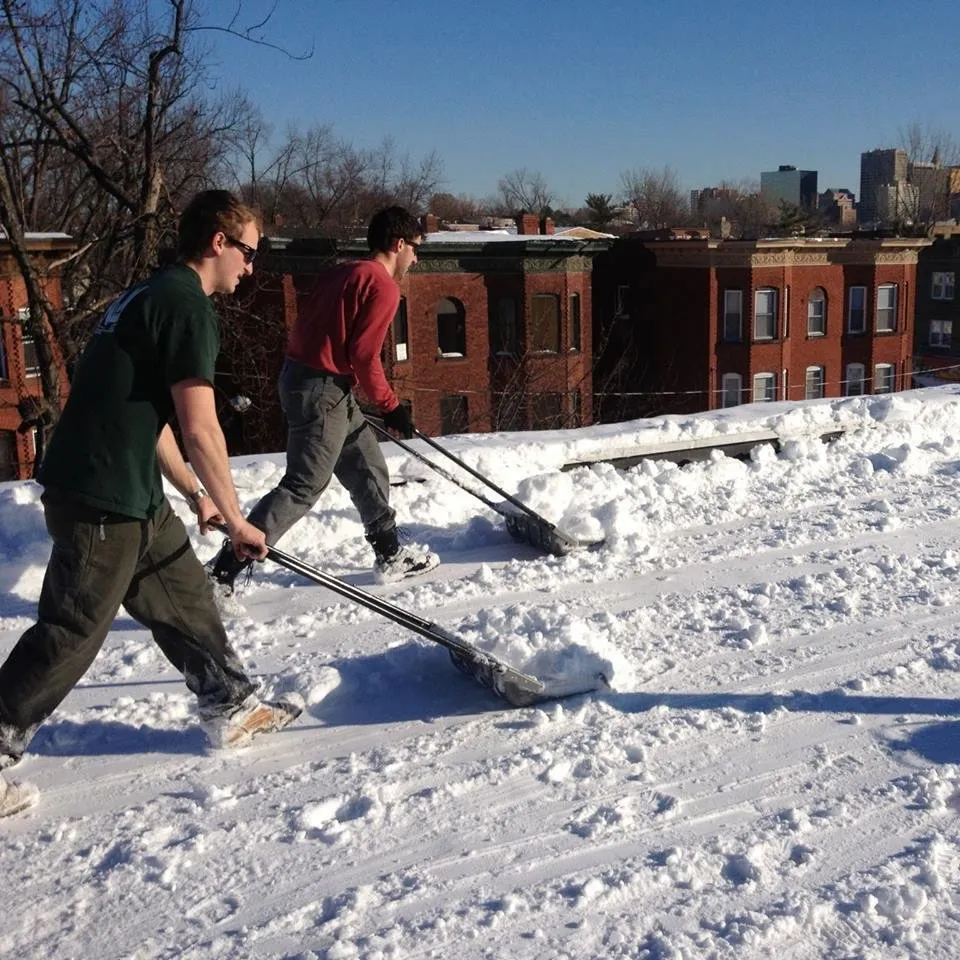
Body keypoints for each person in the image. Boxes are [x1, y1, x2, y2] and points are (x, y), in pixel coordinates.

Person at [0, 190, 301, 819]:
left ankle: (229, 703)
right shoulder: (188, 307)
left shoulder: (145, 295)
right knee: (74, 627)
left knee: (181, 589)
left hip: (128, 487)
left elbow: (153, 419)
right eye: (249, 252)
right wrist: (239, 517)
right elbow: (200, 428)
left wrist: (196, 494)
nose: (252, 267)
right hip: (101, 496)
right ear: (219, 242)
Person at [208, 205, 439, 596]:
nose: (415, 258)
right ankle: (222, 572)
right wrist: (390, 405)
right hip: (322, 389)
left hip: (313, 381)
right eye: (415, 248)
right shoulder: (383, 286)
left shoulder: (343, 271)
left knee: (368, 463)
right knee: (303, 485)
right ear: (399, 244)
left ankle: (390, 553)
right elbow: (365, 356)